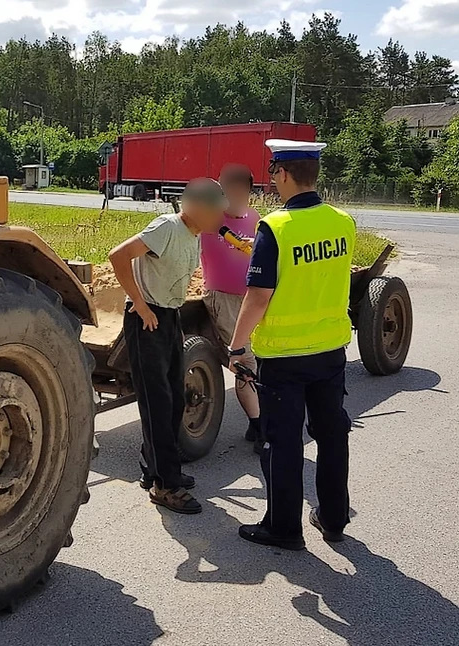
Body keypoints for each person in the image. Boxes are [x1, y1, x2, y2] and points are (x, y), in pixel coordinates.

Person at [227, 139, 356, 550]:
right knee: (332, 434)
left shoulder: (276, 228)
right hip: (331, 351)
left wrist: (236, 346)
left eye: (272, 171)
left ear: (282, 174)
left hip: (284, 355)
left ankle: (284, 528)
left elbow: (258, 297)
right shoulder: (342, 222)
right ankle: (333, 518)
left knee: (282, 442)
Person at [109, 178, 226, 515]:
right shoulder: (167, 228)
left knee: (174, 397)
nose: (221, 217)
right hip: (147, 320)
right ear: (198, 208)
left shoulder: (195, 235)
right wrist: (140, 304)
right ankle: (166, 487)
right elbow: (118, 256)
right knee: (157, 403)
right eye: (217, 210)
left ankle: (157, 468)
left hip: (170, 317)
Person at [201, 164, 263, 452]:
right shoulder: (211, 220)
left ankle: (260, 415)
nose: (235, 198)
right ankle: (259, 425)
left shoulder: (255, 218)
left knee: (259, 356)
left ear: (249, 192)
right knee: (244, 361)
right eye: (229, 192)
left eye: (241, 191)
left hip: (252, 297)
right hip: (222, 298)